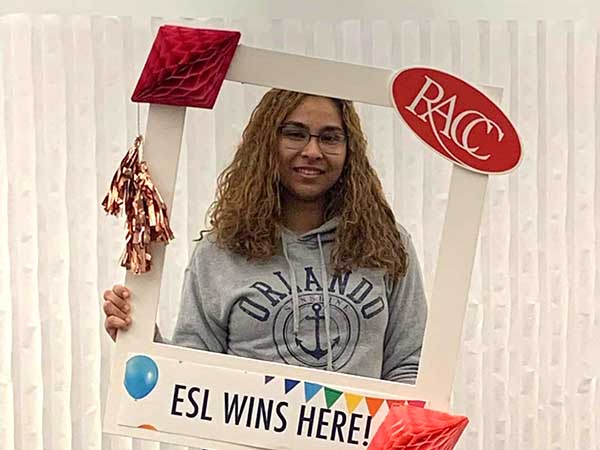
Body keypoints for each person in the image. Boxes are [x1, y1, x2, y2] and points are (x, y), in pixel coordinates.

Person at [103, 89, 427, 384]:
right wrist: (142, 338)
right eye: (295, 134)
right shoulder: (220, 250)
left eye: (330, 138)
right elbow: (195, 375)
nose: (312, 151)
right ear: (266, 144)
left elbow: (409, 366)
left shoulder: (387, 245)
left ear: (350, 150)